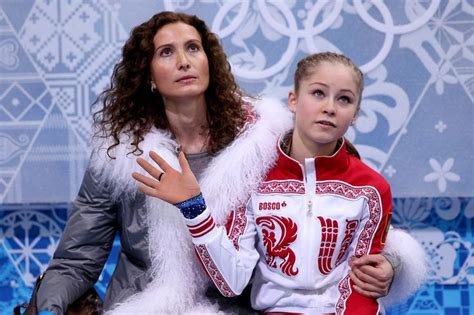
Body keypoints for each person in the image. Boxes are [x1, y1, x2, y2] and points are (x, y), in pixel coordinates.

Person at [32, 11, 425, 315]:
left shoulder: (264, 137)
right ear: (148, 75)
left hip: (237, 306)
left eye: (193, 48)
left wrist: (392, 263)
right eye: (166, 52)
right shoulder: (120, 153)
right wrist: (49, 308)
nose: (184, 61)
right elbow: (75, 259)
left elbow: (335, 205)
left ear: (210, 61)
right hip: (146, 302)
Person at [132, 52, 427, 314]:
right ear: (293, 100)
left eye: (344, 99)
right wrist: (194, 208)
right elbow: (231, 282)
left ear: (355, 115)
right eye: (318, 93)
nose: (330, 107)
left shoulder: (371, 188)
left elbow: (363, 286)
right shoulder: (254, 179)